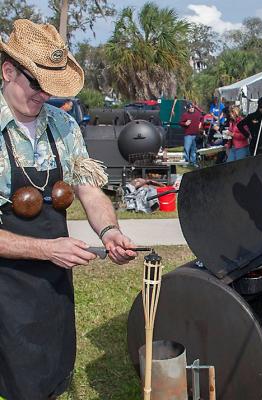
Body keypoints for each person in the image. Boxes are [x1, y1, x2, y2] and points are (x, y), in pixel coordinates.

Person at [0, 19, 138, 400]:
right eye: (37, 83)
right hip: (5, 284)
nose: (44, 94)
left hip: (53, 281)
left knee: (51, 370)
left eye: (51, 85)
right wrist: (47, 249)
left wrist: (109, 232)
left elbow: (89, 191)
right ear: (8, 71)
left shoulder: (63, 125)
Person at [179, 102, 203, 167]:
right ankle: (186, 162)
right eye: (190, 108)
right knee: (186, 149)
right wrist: (185, 123)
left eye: (192, 107)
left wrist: (200, 124)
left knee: (194, 149)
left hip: (196, 134)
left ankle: (193, 162)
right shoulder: (185, 115)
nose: (191, 108)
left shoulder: (198, 114)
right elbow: (180, 122)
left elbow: (202, 118)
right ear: (187, 108)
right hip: (188, 134)